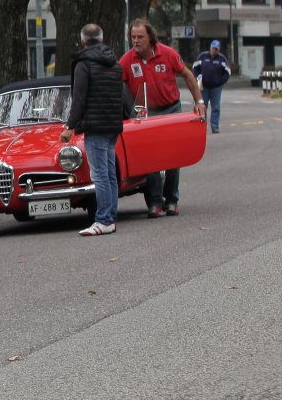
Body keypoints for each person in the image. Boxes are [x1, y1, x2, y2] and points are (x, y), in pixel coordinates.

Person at [120, 18, 204, 217]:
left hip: (171, 110)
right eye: (133, 37)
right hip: (147, 115)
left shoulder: (168, 53)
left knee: (173, 157)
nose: (136, 40)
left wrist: (199, 101)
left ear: (150, 37)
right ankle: (155, 202)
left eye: (140, 37)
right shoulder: (126, 60)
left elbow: (188, 76)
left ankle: (172, 200)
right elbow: (116, 86)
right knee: (151, 160)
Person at [62, 24, 134, 237]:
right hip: (112, 125)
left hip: (94, 126)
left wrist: (70, 126)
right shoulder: (115, 64)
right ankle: (110, 217)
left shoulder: (83, 64)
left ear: (82, 40)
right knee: (110, 174)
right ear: (102, 38)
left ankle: (103, 219)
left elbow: (79, 99)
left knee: (100, 175)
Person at [192, 39, 232, 134]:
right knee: (202, 107)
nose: (215, 50)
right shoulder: (202, 56)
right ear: (210, 48)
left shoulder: (222, 59)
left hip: (216, 88)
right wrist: (198, 78)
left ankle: (215, 127)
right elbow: (194, 67)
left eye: (217, 49)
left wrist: (221, 81)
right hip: (203, 87)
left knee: (216, 107)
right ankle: (201, 126)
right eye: (214, 48)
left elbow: (227, 72)